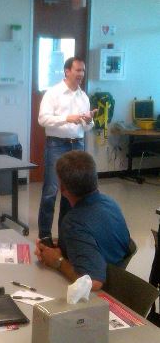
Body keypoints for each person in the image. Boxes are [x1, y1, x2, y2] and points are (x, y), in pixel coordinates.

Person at [35, 151, 130, 291]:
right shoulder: (110, 202)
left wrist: (58, 261)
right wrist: (64, 243)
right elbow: (94, 237)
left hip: (103, 293)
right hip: (117, 275)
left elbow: (94, 282)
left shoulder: (74, 222)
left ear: (62, 188)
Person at [38, 56, 97, 239]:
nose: (81, 74)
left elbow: (87, 127)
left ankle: (64, 237)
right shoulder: (53, 93)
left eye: (83, 71)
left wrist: (89, 121)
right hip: (57, 145)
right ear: (67, 71)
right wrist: (66, 118)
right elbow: (43, 119)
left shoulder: (83, 97)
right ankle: (45, 236)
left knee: (70, 193)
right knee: (51, 191)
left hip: (77, 145)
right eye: (78, 70)